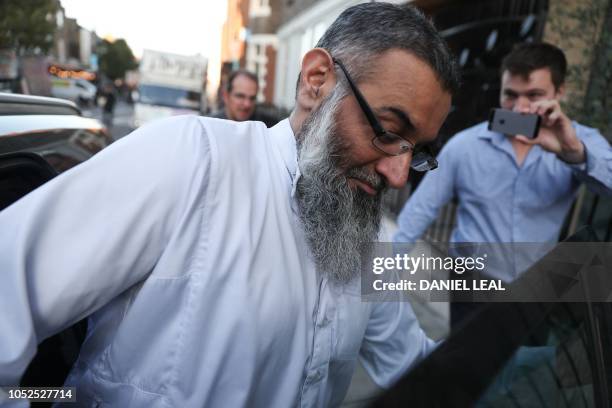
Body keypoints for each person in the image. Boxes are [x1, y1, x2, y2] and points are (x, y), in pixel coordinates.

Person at [0, 3, 459, 407]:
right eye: (387, 129)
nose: (398, 176)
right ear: (317, 80)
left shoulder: (366, 238)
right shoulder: (189, 161)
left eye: (416, 150)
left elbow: (414, 366)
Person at [394, 42, 612, 326]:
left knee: (524, 366)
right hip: (472, 283)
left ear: (559, 93)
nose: (520, 108)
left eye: (534, 95)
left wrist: (574, 154)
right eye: (510, 95)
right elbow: (419, 212)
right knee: (469, 364)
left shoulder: (580, 140)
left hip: (538, 286)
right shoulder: (465, 145)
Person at [210, 69, 279, 127]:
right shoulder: (210, 126)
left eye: (252, 98)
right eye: (240, 96)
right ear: (225, 96)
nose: (247, 104)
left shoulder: (269, 126)